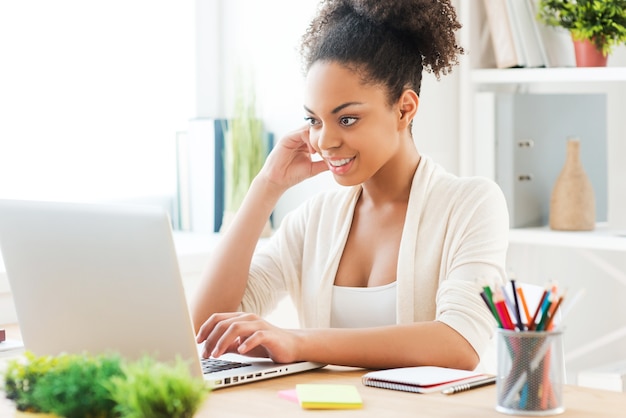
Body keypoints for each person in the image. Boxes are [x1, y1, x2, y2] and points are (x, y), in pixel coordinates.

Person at [191, 0, 509, 371]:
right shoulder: (313, 220)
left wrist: (298, 340)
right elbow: (205, 328)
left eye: (347, 119)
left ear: (405, 109)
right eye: (313, 120)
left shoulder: (470, 205)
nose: (323, 141)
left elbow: (459, 343)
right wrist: (266, 187)